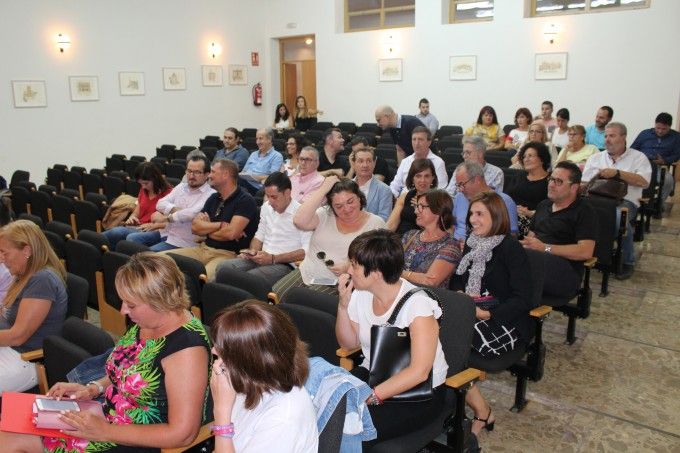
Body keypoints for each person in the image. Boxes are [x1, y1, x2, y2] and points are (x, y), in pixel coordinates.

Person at [0, 253, 211, 452]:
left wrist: (105, 431)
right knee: (13, 428)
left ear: (160, 301)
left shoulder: (187, 351)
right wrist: (93, 388)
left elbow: (183, 434)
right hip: (105, 416)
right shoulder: (150, 320)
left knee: (10, 439)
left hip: (135, 439)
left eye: (131, 305)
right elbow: (127, 369)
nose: (123, 311)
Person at [336, 229, 448, 447]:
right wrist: (343, 305)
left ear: (376, 273)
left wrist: (372, 396)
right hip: (375, 373)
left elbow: (419, 372)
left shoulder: (417, 305)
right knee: (327, 411)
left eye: (354, 265)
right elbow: (348, 344)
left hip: (419, 392)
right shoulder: (361, 293)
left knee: (353, 431)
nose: (348, 270)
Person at [451, 192, 533, 435]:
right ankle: (474, 408)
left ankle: (481, 412)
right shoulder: (472, 242)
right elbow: (458, 279)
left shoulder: (510, 248)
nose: (472, 220)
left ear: (496, 217)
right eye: (471, 214)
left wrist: (487, 314)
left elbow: (523, 299)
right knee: (429, 334)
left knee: (443, 343)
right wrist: (461, 296)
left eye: (479, 214)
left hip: (505, 321)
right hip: (474, 312)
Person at [210, 300, 318, 452]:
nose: (213, 351)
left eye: (222, 348)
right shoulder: (250, 382)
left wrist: (221, 411)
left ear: (248, 360)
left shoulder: (284, 418)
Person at [272, 176, 385, 300]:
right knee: (276, 294)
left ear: (359, 197)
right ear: (332, 207)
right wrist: (323, 188)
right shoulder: (325, 214)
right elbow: (298, 221)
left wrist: (349, 267)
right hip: (307, 272)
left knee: (306, 301)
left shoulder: (375, 224)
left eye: (350, 201)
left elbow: (380, 260)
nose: (346, 209)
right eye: (339, 206)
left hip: (338, 281)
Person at [0, 220, 67, 395]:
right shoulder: (24, 273)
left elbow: (17, 336)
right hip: (8, 350)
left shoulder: (42, 280)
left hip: (26, 359)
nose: (2, 258)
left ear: (27, 251)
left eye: (5, 253)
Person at [164, 158, 258, 279]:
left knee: (202, 280)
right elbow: (195, 228)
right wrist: (221, 225)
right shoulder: (213, 198)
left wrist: (207, 230)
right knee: (159, 260)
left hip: (227, 254)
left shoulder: (245, 200)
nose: (209, 175)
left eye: (213, 172)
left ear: (225, 174)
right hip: (203, 249)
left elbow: (230, 234)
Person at [215, 172, 310, 288]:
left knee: (248, 279)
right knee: (223, 268)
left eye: (274, 197)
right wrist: (252, 252)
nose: (270, 201)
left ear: (287, 193)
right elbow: (259, 236)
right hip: (261, 258)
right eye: (268, 196)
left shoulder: (303, 214)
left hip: (284, 264)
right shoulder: (266, 207)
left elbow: (306, 251)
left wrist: (273, 259)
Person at [582, 122, 651, 280]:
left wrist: (617, 173)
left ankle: (627, 260)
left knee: (619, 217)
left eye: (612, 136)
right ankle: (588, 253)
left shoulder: (638, 157)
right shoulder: (596, 158)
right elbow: (584, 183)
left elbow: (644, 181)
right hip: (596, 200)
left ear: (624, 137)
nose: (607, 139)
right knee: (580, 213)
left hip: (625, 202)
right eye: (606, 136)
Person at [520, 161, 597, 297]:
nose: (551, 184)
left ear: (574, 187)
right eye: (551, 179)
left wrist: (545, 248)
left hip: (565, 273)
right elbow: (530, 239)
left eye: (558, 181)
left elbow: (586, 251)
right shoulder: (543, 205)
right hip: (536, 262)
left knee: (527, 264)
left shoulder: (584, 211)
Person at [150, 154, 216, 252]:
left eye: (197, 172)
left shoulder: (211, 194)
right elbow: (160, 203)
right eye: (189, 171)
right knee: (133, 239)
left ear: (207, 175)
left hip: (184, 242)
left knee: (147, 254)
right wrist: (176, 209)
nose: (191, 176)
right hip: (166, 233)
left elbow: (191, 214)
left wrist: (167, 218)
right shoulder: (181, 186)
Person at [103, 162, 172, 249]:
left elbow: (171, 221)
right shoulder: (144, 190)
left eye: (146, 183)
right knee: (115, 234)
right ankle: (96, 243)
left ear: (155, 178)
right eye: (141, 184)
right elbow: (136, 212)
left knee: (121, 234)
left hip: (154, 230)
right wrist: (132, 218)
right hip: (139, 227)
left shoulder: (169, 193)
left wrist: (153, 225)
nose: (143, 187)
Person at [401, 190, 461, 288]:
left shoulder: (451, 246)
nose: (416, 211)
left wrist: (398, 273)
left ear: (438, 210)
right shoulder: (410, 235)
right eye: (417, 206)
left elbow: (430, 281)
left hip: (426, 296)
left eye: (421, 207)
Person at [452, 161, 518, 241]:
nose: (460, 189)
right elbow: (452, 225)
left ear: (477, 180)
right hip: (455, 244)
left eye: (462, 184)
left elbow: (512, 236)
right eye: (458, 185)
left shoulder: (504, 201)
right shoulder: (459, 197)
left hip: (488, 246)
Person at [631, 112, 680, 203]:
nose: (660, 131)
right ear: (655, 124)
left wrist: (664, 161)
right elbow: (633, 149)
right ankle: (633, 201)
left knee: (668, 181)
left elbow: (676, 155)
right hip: (640, 164)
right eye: (658, 128)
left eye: (664, 129)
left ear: (670, 127)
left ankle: (658, 204)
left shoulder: (676, 137)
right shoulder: (645, 133)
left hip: (659, 167)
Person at [506, 142, 551, 237]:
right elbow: (506, 197)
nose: (526, 159)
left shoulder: (551, 180)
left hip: (532, 220)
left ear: (542, 159)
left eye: (530, 156)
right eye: (524, 157)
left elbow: (551, 207)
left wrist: (530, 213)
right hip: (509, 213)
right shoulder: (519, 175)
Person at [389, 126, 448, 197]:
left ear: (429, 142)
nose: (417, 143)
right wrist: (392, 198)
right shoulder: (405, 161)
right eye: (414, 139)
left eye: (420, 139)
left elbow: (441, 190)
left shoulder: (438, 162)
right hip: (404, 199)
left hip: (428, 200)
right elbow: (395, 185)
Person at [387, 159, 438, 235]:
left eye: (427, 176)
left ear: (432, 178)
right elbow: (391, 225)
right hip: (400, 238)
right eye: (418, 176)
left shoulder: (438, 199)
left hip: (423, 239)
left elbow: (437, 230)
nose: (422, 180)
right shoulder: (404, 197)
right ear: (412, 179)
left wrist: (420, 209)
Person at [351, 147, 393, 221]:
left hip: (372, 228)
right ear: (354, 164)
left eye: (369, 161)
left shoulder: (384, 190)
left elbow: (384, 219)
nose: (365, 165)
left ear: (374, 163)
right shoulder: (345, 187)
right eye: (360, 161)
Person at [240, 128, 284, 193]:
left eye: (260, 139)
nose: (257, 142)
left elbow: (272, 178)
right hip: (244, 183)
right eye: (257, 139)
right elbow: (243, 171)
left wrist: (254, 177)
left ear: (269, 139)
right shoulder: (253, 154)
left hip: (258, 187)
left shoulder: (277, 156)